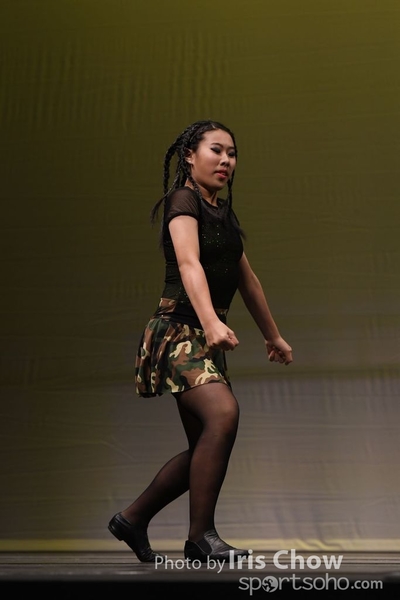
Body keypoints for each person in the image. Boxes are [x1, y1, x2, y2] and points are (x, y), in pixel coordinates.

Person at [108, 119, 293, 563]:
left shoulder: (223, 211)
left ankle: (132, 519)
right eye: (216, 150)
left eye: (232, 153)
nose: (226, 160)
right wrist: (210, 322)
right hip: (177, 331)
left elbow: (247, 280)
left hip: (204, 336)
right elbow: (189, 263)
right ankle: (200, 537)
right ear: (190, 156)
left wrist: (273, 335)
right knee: (224, 415)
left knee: (204, 447)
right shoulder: (183, 200)